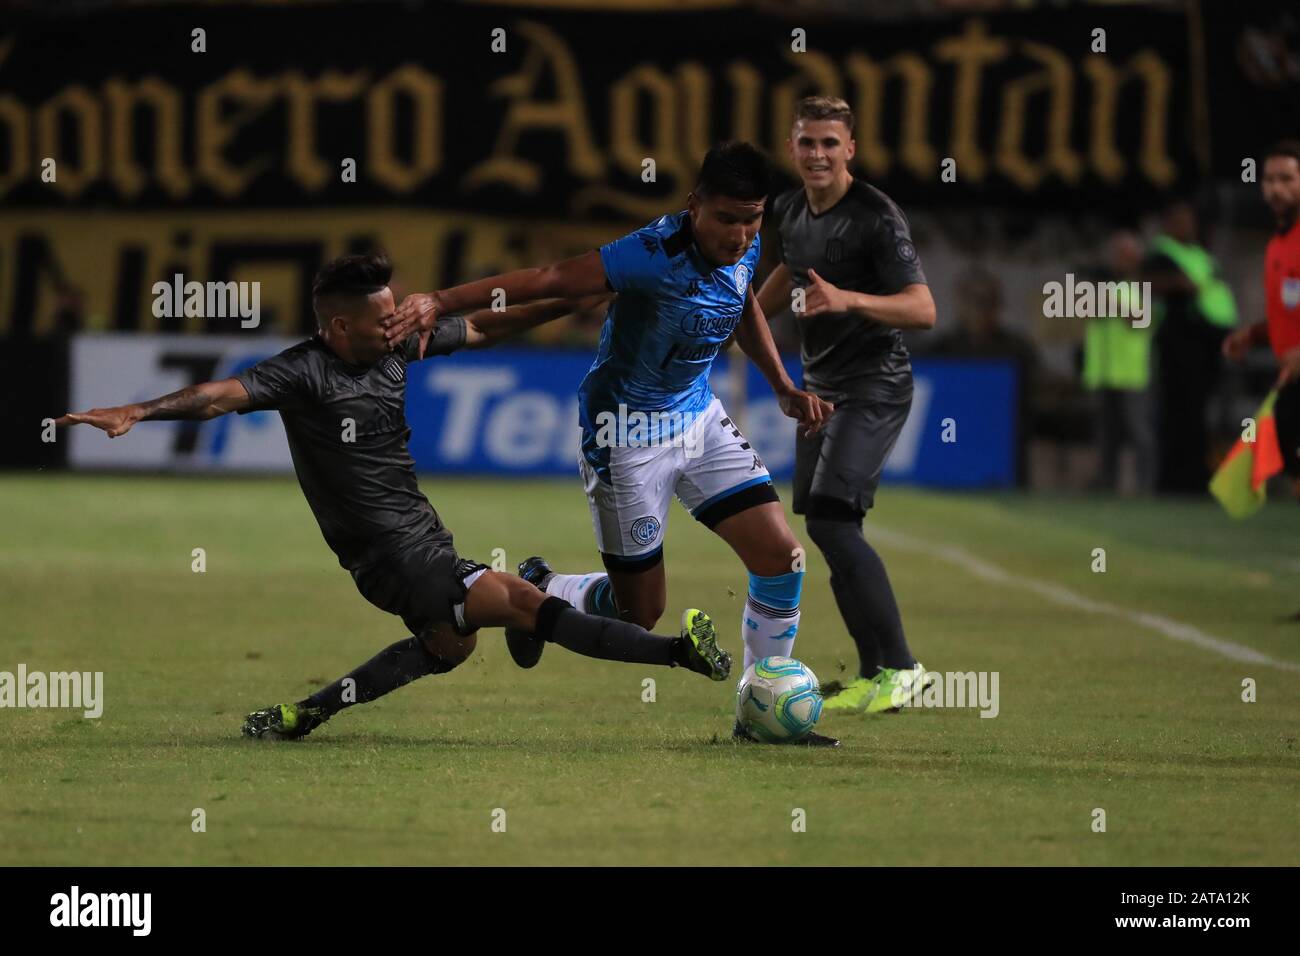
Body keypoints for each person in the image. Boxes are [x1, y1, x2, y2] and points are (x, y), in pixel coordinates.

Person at [55, 254, 732, 741]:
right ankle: (678, 653)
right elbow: (213, 398)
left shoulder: (392, 347)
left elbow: (485, 328)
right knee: (527, 606)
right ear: (339, 327)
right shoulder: (301, 372)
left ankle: (305, 715)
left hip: (418, 537)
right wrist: (138, 412)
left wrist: (579, 298)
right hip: (390, 554)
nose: (399, 324)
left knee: (449, 646)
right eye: (384, 318)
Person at [383, 143, 842, 746]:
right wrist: (439, 301)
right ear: (694, 205)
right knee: (640, 613)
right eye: (727, 219)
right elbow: (549, 280)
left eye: (752, 220)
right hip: (625, 434)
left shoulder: (745, 244)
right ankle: (545, 588)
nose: (740, 234)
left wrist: (782, 385)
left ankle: (760, 708)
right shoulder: (649, 255)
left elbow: (741, 300)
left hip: (697, 418)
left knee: (782, 558)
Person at [755, 95, 936, 716]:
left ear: (850, 149)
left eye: (830, 143)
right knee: (828, 526)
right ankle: (872, 672)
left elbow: (923, 309)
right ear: (792, 148)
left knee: (832, 521)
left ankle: (905, 668)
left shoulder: (877, 218)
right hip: (819, 390)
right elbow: (786, 271)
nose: (818, 154)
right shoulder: (789, 209)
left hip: (875, 386)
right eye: (807, 142)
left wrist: (849, 300)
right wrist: (740, 315)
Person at [1222, 139, 1300, 500]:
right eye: (1269, 180)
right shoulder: (1277, 246)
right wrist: (1253, 336)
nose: (1275, 189)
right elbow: (1288, 316)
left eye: (1286, 178)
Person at [1144, 200, 1238, 494]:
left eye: (1191, 220)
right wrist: (1178, 283)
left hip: (1209, 348)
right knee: (1178, 417)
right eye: (1182, 220)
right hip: (1179, 348)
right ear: (1169, 224)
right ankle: (1175, 482)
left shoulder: (1200, 255)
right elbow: (1148, 281)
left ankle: (1198, 478)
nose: (1189, 226)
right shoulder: (1162, 253)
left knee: (1201, 417)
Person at [1082, 230, 1156, 493]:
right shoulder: (1098, 285)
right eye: (1116, 255)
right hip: (1103, 371)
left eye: (1126, 255)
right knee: (1105, 435)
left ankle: (1145, 486)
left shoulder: (1144, 285)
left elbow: (1141, 320)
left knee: (1140, 433)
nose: (1120, 260)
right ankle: (1106, 484)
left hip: (1132, 372)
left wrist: (1116, 307)